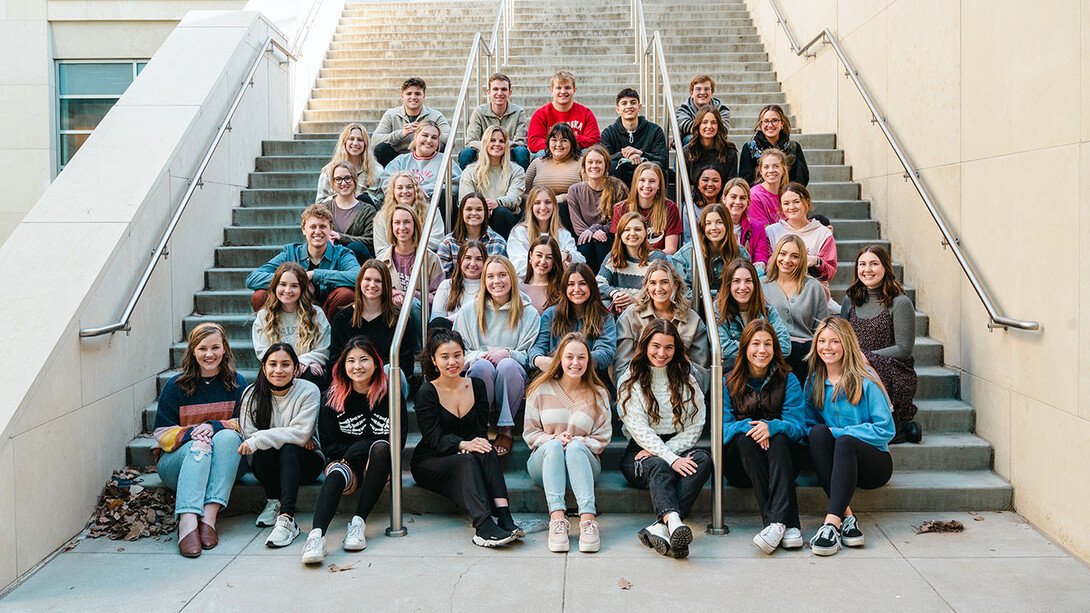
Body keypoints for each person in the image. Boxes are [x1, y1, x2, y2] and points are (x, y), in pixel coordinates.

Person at [410, 328, 523, 546]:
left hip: (463, 453)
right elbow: (433, 439)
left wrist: (471, 444)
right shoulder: (427, 392)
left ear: (464, 355)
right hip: (430, 460)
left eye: (457, 355)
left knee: (485, 447)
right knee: (468, 457)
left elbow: (479, 432)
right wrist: (462, 444)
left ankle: (504, 516)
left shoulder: (477, 386)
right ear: (434, 360)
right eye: (444, 357)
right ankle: (483, 526)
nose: (452, 362)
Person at [301, 338, 407, 564]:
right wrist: (353, 454)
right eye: (351, 361)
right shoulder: (332, 396)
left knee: (380, 448)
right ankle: (316, 536)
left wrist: (359, 448)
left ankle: (358, 523)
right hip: (345, 464)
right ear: (343, 366)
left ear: (376, 363)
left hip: (379, 466)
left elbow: (398, 438)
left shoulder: (390, 394)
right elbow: (330, 446)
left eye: (363, 359)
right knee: (337, 472)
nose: (357, 366)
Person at [618, 319, 711, 559]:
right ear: (645, 345)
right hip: (638, 452)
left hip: (672, 447)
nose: (662, 353)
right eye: (656, 346)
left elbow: (696, 423)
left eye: (668, 347)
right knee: (658, 465)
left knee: (703, 460)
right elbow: (639, 429)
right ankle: (673, 520)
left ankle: (661, 526)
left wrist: (667, 452)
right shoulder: (630, 378)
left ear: (676, 349)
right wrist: (667, 457)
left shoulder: (685, 377)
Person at [153, 323, 246, 557]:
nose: (209, 354)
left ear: (225, 349)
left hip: (226, 463)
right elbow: (161, 433)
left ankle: (209, 517)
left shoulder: (237, 384)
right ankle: (187, 521)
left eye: (216, 347)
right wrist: (193, 434)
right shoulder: (176, 386)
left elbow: (248, 425)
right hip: (178, 465)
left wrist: (213, 426)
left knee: (225, 436)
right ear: (193, 350)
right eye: (203, 348)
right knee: (201, 445)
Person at [804, 317, 895, 556]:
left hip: (873, 464)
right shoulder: (813, 382)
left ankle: (830, 524)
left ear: (846, 344)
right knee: (816, 433)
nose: (827, 347)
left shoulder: (866, 381)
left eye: (834, 341)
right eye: (822, 341)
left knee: (844, 441)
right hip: (837, 466)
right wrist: (829, 435)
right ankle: (847, 518)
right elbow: (808, 425)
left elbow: (886, 429)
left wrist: (841, 433)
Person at [722, 319, 806, 554]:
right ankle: (788, 523)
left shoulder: (788, 379)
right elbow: (721, 430)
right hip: (740, 467)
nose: (762, 350)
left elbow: (799, 427)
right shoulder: (727, 381)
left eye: (768, 344)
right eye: (756, 343)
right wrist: (752, 427)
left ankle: (774, 525)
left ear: (775, 348)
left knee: (779, 438)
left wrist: (772, 426)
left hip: (783, 464)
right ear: (745, 347)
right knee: (745, 439)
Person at [524, 333, 612, 553]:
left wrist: (579, 441)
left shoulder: (598, 394)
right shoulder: (540, 389)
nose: (575, 363)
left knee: (574, 447)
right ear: (559, 360)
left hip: (583, 463)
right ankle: (557, 520)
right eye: (569, 357)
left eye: (581, 357)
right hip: (543, 463)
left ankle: (588, 521)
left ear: (589, 361)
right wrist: (553, 438)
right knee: (554, 446)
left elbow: (603, 437)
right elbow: (530, 433)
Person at [238, 343, 324, 549]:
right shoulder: (251, 394)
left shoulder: (309, 390)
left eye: (285, 364)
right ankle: (273, 501)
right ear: (263, 367)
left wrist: (263, 438)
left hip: (306, 464)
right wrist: (292, 436)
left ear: (296, 368)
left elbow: (302, 432)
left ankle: (286, 518)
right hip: (266, 465)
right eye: (273, 364)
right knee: (273, 448)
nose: (278, 370)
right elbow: (248, 435)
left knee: (288, 449)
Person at [453, 255, 540, 456]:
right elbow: (459, 353)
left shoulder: (529, 313)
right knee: (483, 367)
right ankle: (480, 429)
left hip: (513, 378)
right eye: (490, 276)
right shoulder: (468, 312)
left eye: (502, 275)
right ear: (484, 281)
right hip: (479, 373)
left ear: (512, 278)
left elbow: (530, 356)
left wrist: (508, 353)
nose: (496, 281)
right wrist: (482, 357)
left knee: (507, 365)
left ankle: (505, 430)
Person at [842, 245, 920, 443]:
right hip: (855, 365)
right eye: (862, 264)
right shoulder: (850, 300)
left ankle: (891, 425)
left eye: (874, 264)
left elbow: (903, 349)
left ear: (885, 267)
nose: (867, 269)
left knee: (867, 371)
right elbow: (842, 338)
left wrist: (865, 357)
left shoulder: (900, 303)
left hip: (893, 368)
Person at [246, 204, 359, 321]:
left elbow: (358, 277)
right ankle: (275, 334)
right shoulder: (291, 252)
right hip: (294, 309)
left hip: (328, 313)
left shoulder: (342, 254)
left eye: (322, 227)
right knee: (260, 295)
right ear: (303, 229)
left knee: (345, 294)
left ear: (331, 229)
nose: (317, 231)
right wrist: (294, 279)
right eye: (312, 227)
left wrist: (315, 275)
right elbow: (252, 278)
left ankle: (329, 336)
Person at [614, 260, 710, 391]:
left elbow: (703, 374)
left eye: (664, 282)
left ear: (675, 285)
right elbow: (621, 368)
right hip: (640, 390)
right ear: (647, 286)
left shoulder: (692, 320)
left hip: (680, 390)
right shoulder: (630, 316)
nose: (658, 289)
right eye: (653, 283)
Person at [330, 261, 417, 386]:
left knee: (390, 371)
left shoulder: (400, 319)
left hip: (388, 383)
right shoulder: (342, 318)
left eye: (378, 281)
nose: (372, 285)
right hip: (355, 379)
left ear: (386, 285)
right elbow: (335, 359)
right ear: (360, 282)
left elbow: (406, 362)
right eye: (367, 279)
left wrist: (373, 372)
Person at [529, 263, 616, 386]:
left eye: (582, 283)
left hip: (590, 380)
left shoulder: (604, 317)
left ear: (591, 286)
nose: (576, 289)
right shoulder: (551, 314)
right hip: (555, 378)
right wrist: (538, 359)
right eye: (571, 284)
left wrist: (571, 361)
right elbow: (538, 348)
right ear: (564, 288)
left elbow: (605, 354)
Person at [376, 205, 444, 352]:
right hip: (391, 314)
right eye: (397, 222)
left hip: (420, 315)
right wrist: (391, 296)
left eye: (407, 222)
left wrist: (409, 295)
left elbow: (440, 298)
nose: (402, 227)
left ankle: (420, 353)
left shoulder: (431, 259)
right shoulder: (381, 261)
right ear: (391, 226)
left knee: (411, 304)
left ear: (415, 225)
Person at [252, 262, 331, 389]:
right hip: (277, 371)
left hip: (306, 372)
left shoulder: (316, 314)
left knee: (314, 373)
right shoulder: (264, 316)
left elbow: (323, 350)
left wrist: (303, 362)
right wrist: (289, 365)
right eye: (283, 284)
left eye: (294, 286)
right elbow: (263, 352)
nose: (287, 290)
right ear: (275, 286)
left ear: (302, 289)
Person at [762, 235, 828, 383]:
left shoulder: (813, 287)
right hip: (773, 351)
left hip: (806, 352)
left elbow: (821, 328)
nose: (787, 260)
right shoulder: (761, 285)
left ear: (801, 260)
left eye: (794, 256)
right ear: (776, 254)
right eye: (783, 254)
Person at [715, 258, 791, 364]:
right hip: (735, 373)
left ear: (755, 284)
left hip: (764, 371)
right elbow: (722, 348)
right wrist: (764, 350)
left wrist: (750, 352)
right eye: (736, 281)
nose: (743, 287)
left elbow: (785, 346)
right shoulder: (718, 310)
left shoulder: (767, 310)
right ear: (729, 285)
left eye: (748, 281)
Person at [567, 145, 628, 273]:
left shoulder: (618, 188)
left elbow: (620, 222)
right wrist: (592, 232)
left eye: (599, 162)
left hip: (609, 236)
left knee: (602, 243)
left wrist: (596, 229)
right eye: (590, 162)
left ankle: (603, 282)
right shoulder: (575, 190)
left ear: (606, 166)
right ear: (584, 166)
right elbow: (578, 226)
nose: (594, 166)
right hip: (586, 236)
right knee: (586, 244)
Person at [670, 203, 749, 300]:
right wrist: (716, 296)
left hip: (730, 310)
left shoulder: (740, 253)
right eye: (708, 223)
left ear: (727, 224)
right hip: (693, 310)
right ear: (703, 227)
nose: (714, 227)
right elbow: (681, 292)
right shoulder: (684, 255)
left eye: (719, 222)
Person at [457, 127, 526, 239]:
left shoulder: (517, 170)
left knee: (500, 212)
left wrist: (497, 203)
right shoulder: (470, 171)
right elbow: (465, 199)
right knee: (470, 212)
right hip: (478, 215)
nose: (497, 144)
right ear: (485, 143)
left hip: (505, 218)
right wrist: (483, 207)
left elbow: (514, 199)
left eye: (501, 141)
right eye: (492, 140)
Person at [765, 182, 837, 284]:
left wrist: (817, 261)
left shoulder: (823, 233)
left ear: (806, 201)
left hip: (810, 289)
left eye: (796, 202)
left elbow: (830, 271)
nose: (791, 207)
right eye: (786, 203)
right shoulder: (771, 231)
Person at [596, 211, 667, 314]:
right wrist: (616, 294)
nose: (632, 234)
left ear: (645, 232)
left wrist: (633, 299)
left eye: (637, 229)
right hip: (619, 310)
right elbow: (598, 283)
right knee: (605, 303)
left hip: (646, 311)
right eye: (627, 230)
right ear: (620, 234)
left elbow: (661, 290)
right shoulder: (614, 256)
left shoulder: (657, 258)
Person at [372, 77, 451, 166]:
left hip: (425, 159)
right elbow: (375, 140)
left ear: (423, 96)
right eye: (409, 94)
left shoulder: (436, 115)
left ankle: (433, 177)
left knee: (441, 146)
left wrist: (427, 133)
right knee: (381, 148)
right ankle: (389, 178)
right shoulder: (391, 114)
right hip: (397, 158)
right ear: (402, 96)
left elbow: (451, 140)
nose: (413, 97)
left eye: (417, 94)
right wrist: (401, 133)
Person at [507, 186, 584, 276]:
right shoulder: (519, 232)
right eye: (537, 203)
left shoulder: (563, 233)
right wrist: (556, 265)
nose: (543, 207)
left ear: (554, 206)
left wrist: (568, 256)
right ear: (531, 207)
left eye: (548, 202)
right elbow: (518, 267)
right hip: (528, 286)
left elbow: (581, 262)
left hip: (556, 286)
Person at [459, 72, 530, 170]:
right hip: (484, 153)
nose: (499, 93)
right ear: (488, 92)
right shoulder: (479, 111)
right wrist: (492, 146)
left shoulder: (518, 112)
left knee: (521, 152)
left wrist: (500, 146)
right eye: (495, 89)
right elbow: (470, 141)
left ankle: (521, 183)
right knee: (466, 153)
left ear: (510, 93)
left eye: (504, 89)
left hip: (509, 153)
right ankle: (467, 183)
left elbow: (521, 142)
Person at [600, 88, 668, 187]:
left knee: (658, 166)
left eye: (633, 102)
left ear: (639, 107)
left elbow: (663, 160)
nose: (629, 106)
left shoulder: (654, 130)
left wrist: (641, 154)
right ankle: (619, 201)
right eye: (624, 103)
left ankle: (654, 202)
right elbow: (605, 159)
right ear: (617, 109)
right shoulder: (609, 133)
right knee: (612, 166)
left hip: (646, 174)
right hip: (621, 172)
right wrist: (626, 155)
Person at [610, 162, 683, 255]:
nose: (647, 185)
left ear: (659, 185)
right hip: (630, 261)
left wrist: (647, 259)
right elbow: (619, 246)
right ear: (635, 182)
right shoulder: (621, 208)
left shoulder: (670, 208)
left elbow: (671, 249)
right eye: (642, 180)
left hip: (658, 262)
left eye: (652, 181)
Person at [380, 120, 460, 201]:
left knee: (443, 195)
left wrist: (424, 190)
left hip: (433, 204)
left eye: (434, 137)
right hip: (405, 205)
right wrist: (412, 191)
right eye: (425, 135)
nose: (429, 140)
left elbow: (456, 184)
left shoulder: (445, 160)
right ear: (415, 136)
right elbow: (386, 181)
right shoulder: (401, 160)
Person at [524, 123, 583, 228]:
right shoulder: (537, 163)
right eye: (554, 140)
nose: (558, 144)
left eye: (564, 140)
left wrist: (560, 199)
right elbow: (524, 192)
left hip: (567, 213)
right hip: (538, 212)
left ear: (572, 143)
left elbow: (586, 192)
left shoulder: (581, 163)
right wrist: (539, 203)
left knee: (560, 208)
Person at [527, 70, 600, 153]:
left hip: (576, 154)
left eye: (567, 88)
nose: (563, 91)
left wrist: (569, 140)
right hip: (551, 156)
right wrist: (559, 145)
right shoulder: (540, 114)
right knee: (541, 153)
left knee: (587, 152)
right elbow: (534, 143)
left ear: (574, 90)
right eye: (558, 88)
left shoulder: (585, 113)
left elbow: (595, 141)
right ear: (551, 90)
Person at [436, 192, 507, 277]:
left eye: (479, 209)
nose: (474, 213)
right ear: (462, 212)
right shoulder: (448, 243)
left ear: (485, 213)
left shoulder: (498, 243)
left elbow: (503, 275)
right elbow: (442, 278)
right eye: (469, 209)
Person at [320, 161, 377, 264]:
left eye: (347, 178)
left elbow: (371, 240)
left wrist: (341, 237)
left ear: (355, 180)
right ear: (332, 183)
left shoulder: (368, 210)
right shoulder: (324, 209)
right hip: (330, 262)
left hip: (359, 263)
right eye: (338, 179)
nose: (343, 183)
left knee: (356, 247)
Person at [373, 171, 443, 254]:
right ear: (393, 192)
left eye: (409, 187)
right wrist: (400, 255)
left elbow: (436, 240)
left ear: (416, 190)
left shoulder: (431, 212)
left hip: (424, 260)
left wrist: (411, 251)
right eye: (400, 188)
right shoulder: (382, 216)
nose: (405, 191)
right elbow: (381, 249)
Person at [739, 104, 809, 186]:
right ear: (761, 124)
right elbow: (745, 181)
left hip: (787, 195)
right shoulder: (750, 148)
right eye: (766, 121)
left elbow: (802, 178)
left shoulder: (793, 147)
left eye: (775, 120)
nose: (770, 125)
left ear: (782, 123)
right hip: (759, 196)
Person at [316, 123, 383, 205]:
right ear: (344, 142)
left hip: (366, 216)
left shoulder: (377, 171)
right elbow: (319, 204)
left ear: (365, 144)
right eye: (351, 139)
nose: (355, 143)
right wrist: (340, 196)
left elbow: (383, 205)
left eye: (360, 140)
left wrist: (364, 197)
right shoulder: (328, 171)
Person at [682, 106, 739, 190]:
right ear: (698, 125)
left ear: (718, 125)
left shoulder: (730, 152)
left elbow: (730, 186)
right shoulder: (688, 151)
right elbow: (685, 186)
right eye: (704, 122)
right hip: (694, 200)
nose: (709, 126)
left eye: (713, 122)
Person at [723, 177, 770, 274]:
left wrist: (760, 265)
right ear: (724, 199)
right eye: (733, 197)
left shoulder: (757, 227)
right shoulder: (713, 225)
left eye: (742, 198)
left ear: (748, 202)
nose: (737, 202)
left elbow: (761, 257)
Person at [433, 240, 485, 324]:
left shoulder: (490, 287)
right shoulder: (447, 285)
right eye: (468, 258)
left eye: (478, 259)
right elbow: (437, 322)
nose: (472, 264)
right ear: (460, 260)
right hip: (451, 335)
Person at [676, 74, 732, 143]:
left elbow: (723, 130)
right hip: (692, 146)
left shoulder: (722, 110)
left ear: (712, 93)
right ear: (691, 93)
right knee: (691, 138)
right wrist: (711, 128)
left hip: (717, 145)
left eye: (706, 89)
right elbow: (685, 126)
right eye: (698, 89)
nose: (702, 92)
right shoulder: (682, 110)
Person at [520, 236, 564, 315]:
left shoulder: (560, 290)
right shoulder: (518, 289)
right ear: (531, 255)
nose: (543, 261)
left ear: (554, 261)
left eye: (549, 257)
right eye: (539, 255)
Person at [748, 149, 789, 232]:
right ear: (761, 171)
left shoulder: (788, 193)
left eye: (776, 166)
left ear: (783, 169)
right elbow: (764, 231)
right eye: (766, 167)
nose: (771, 170)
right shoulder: (755, 195)